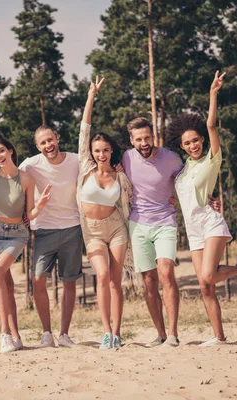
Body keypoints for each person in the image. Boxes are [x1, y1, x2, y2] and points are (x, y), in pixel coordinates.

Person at [168, 71, 237, 346]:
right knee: (205, 285)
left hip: (211, 223)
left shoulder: (212, 159)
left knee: (209, 275)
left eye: (195, 140)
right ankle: (219, 336)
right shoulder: (183, 169)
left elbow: (211, 125)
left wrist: (213, 93)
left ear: (202, 141)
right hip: (193, 228)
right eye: (187, 143)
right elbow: (186, 196)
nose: (193, 145)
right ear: (181, 146)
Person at [0, 125, 83, 348]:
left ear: (57, 138)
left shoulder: (76, 160)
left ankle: (64, 334)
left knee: (69, 282)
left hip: (72, 227)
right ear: (37, 146)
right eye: (43, 143)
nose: (48, 145)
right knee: (38, 280)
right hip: (43, 229)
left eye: (51, 140)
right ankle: (47, 333)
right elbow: (10, 179)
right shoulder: (29, 165)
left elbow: (99, 164)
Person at [77, 76, 133, 350]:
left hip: (116, 228)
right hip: (92, 231)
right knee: (101, 275)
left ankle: (118, 332)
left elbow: (140, 193)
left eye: (106, 150)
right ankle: (105, 331)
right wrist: (91, 96)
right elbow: (84, 129)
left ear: (112, 151)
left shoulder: (121, 175)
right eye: (97, 150)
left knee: (115, 280)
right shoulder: (85, 167)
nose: (101, 154)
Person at [0, 136, 51, 353]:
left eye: (1, 151)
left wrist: (39, 206)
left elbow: (29, 214)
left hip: (16, 235)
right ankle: (16, 336)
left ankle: (3, 335)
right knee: (6, 284)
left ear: (11, 151)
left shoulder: (26, 179)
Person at [122, 116, 185, 347]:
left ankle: (173, 334)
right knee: (149, 281)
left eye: (147, 137)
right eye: (139, 139)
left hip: (165, 221)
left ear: (153, 135)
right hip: (137, 224)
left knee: (166, 273)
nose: (144, 143)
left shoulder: (171, 158)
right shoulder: (126, 158)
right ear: (132, 140)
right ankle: (160, 334)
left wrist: (209, 198)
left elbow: (189, 181)